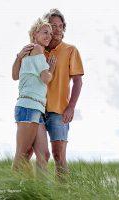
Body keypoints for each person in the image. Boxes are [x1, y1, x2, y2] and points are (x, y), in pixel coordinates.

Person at [13, 9, 84, 180]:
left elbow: (78, 81)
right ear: (42, 29)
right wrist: (19, 56)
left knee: (58, 155)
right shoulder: (37, 49)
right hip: (36, 109)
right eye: (53, 27)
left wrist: (71, 107)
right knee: (30, 153)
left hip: (59, 110)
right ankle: (30, 191)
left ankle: (62, 193)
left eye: (60, 26)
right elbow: (20, 76)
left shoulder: (70, 50)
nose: (57, 30)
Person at [11, 18, 56, 172]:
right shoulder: (37, 49)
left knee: (43, 155)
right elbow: (45, 78)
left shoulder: (29, 51)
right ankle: (11, 192)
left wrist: (18, 57)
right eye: (45, 32)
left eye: (50, 33)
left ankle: (39, 193)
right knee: (22, 156)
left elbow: (15, 75)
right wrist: (51, 68)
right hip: (28, 107)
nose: (49, 36)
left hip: (36, 108)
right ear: (35, 34)